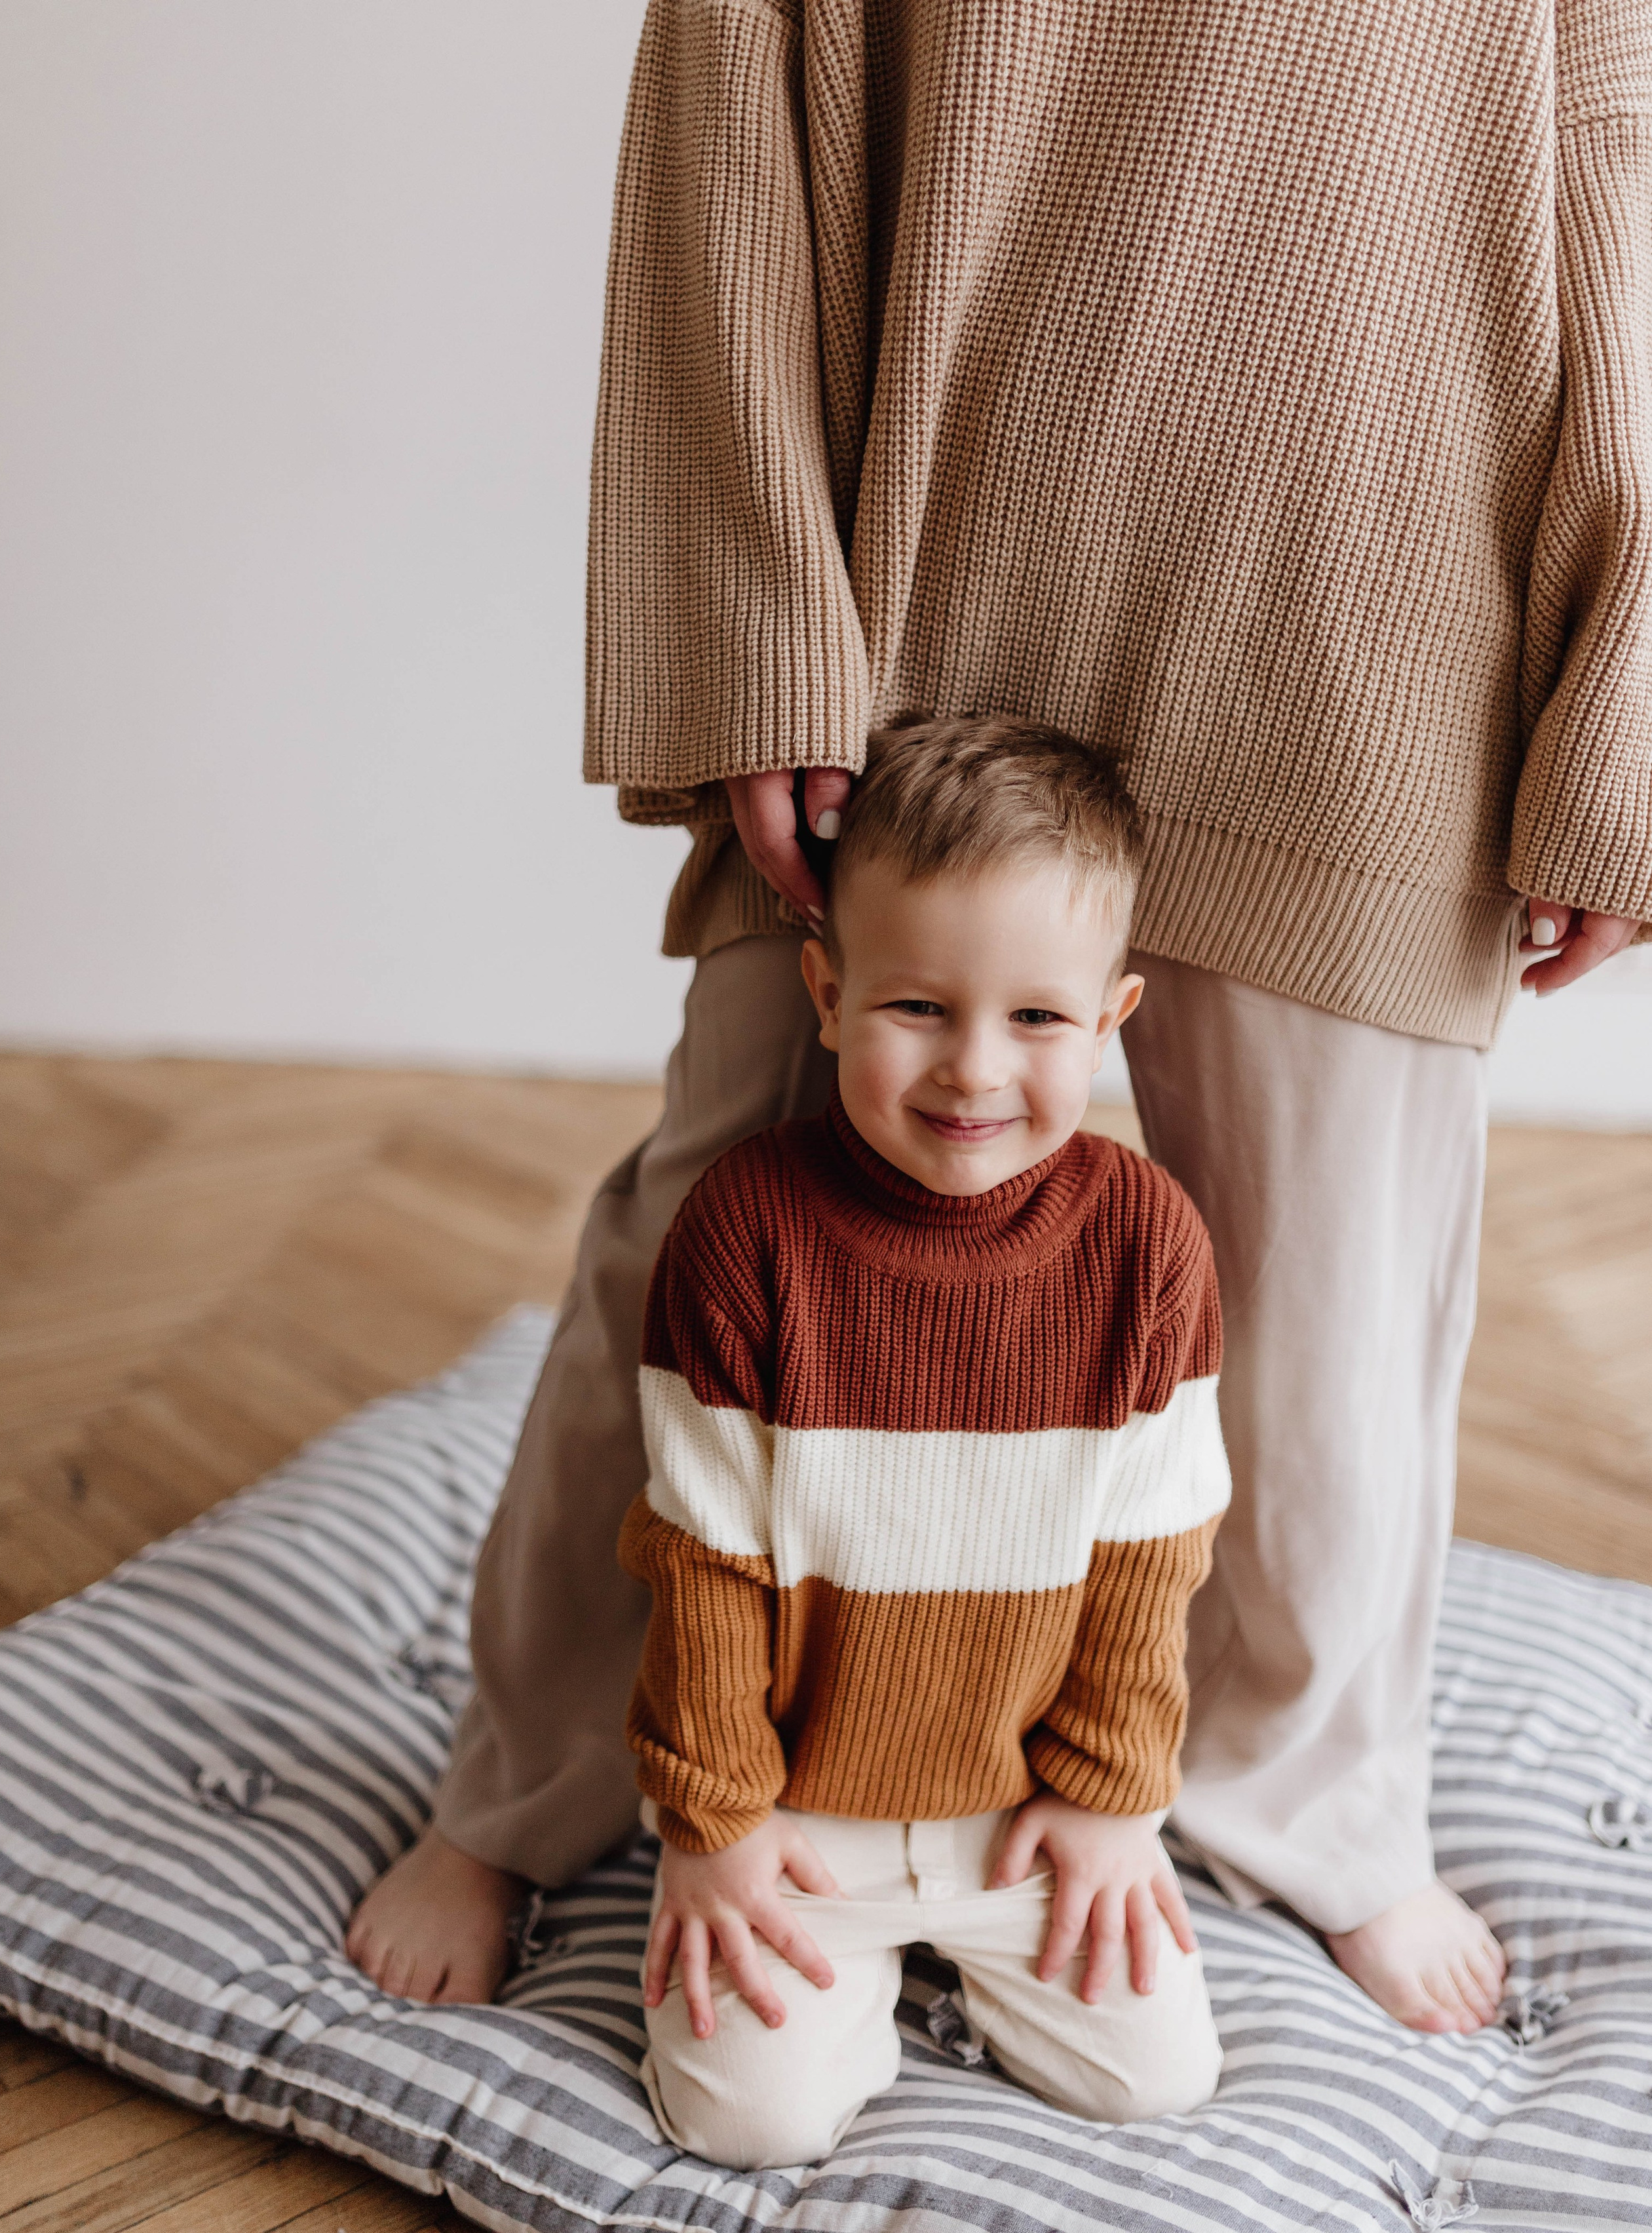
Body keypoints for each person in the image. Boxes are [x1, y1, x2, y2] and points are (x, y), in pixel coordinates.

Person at [347, 0, 1652, 2033]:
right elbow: (731, 85)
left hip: (1384, 571)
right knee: (710, 1237)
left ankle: (1305, 1795)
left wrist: (1628, 701)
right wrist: (752, 615)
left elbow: (1617, 126)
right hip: (927, 528)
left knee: (1338, 1302)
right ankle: (534, 1778)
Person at [626, 719, 1226, 2164]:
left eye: (1034, 1019)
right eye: (915, 1006)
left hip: (1020, 1810)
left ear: (1111, 1018)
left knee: (1155, 2080)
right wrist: (712, 1825)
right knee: (749, 2127)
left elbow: (1154, 1561)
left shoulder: (1147, 1245)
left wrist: (1105, 1803)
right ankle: (850, 1992)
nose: (971, 1071)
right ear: (825, 995)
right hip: (793, 1812)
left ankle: (940, 1973)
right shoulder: (742, 1232)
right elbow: (697, 1564)